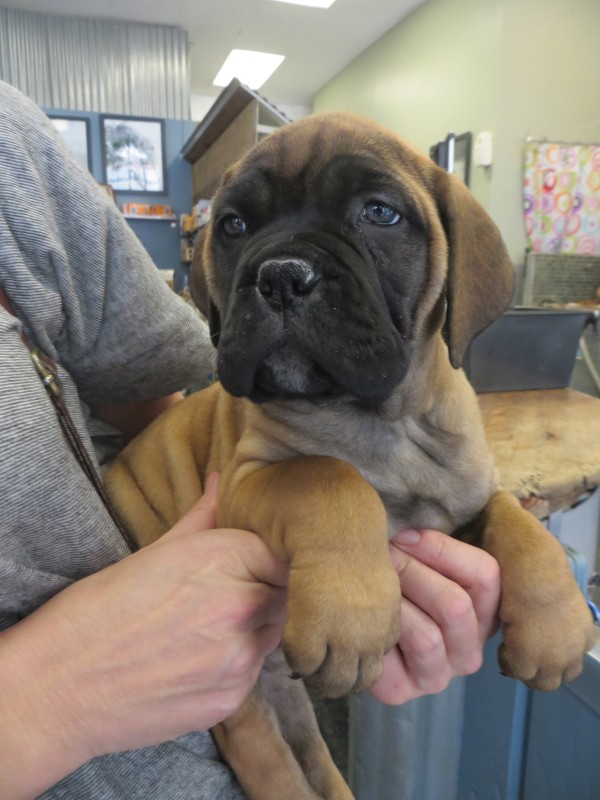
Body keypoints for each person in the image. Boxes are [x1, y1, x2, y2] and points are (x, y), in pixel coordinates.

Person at [0, 79, 501, 800]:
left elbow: (156, 401)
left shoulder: (12, 149)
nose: (284, 272)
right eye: (237, 230)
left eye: (379, 213)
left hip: (241, 639)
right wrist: (48, 696)